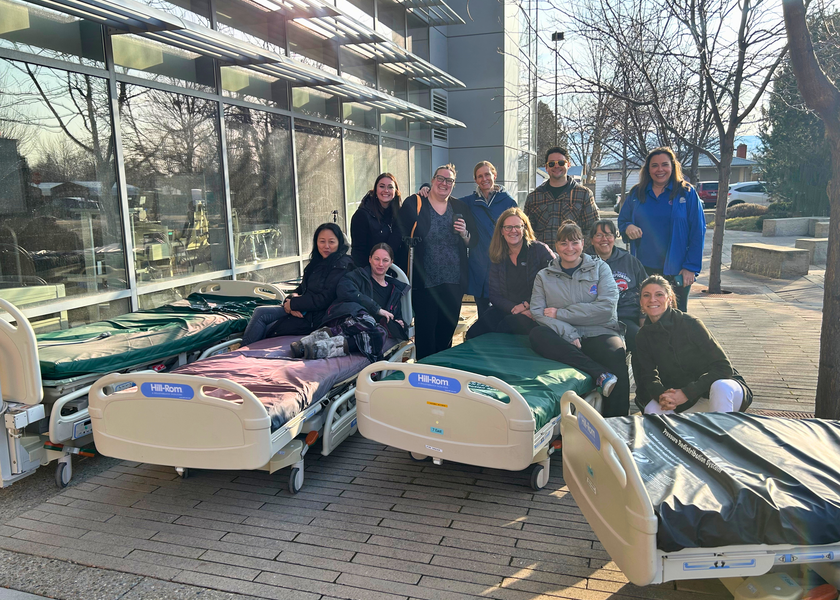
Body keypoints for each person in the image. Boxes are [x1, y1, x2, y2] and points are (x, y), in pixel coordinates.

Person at [528, 220, 629, 418]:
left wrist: (560, 313)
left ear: (583, 243)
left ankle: (617, 422)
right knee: (537, 334)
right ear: (556, 246)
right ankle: (600, 374)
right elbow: (538, 312)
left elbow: (606, 310)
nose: (569, 248)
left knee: (616, 352)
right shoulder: (544, 276)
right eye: (564, 243)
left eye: (574, 242)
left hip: (600, 331)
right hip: (565, 338)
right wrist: (568, 331)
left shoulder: (600, 269)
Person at [634, 275, 752, 414]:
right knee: (652, 410)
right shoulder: (642, 336)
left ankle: (719, 435)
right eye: (646, 295)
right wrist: (662, 396)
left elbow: (724, 367)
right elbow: (648, 377)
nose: (652, 299)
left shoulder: (690, 323)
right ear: (641, 302)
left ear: (669, 298)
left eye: (659, 294)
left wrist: (686, 393)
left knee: (720, 387)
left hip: (723, 392)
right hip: (687, 401)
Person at [399, 164, 477, 359]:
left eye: (449, 180)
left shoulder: (460, 207)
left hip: (453, 283)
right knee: (426, 334)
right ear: (433, 180)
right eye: (440, 179)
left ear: (453, 185)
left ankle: (442, 375)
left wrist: (464, 233)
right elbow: (401, 235)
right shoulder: (416, 203)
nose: (444, 183)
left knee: (446, 333)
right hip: (425, 284)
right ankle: (424, 377)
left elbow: (473, 241)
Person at [617, 147, 706, 312]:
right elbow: (622, 220)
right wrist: (628, 226)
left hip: (677, 269)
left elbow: (698, 232)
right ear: (648, 169)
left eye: (664, 164)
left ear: (672, 167)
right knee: (646, 313)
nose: (660, 169)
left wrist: (691, 267)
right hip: (643, 268)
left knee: (676, 316)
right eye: (654, 165)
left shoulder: (686, 193)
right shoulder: (637, 193)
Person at [241, 223, 353, 346]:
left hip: (316, 318)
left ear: (339, 243)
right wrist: (290, 301)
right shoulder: (317, 262)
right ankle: (240, 354)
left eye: (331, 242)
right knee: (259, 313)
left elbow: (325, 299)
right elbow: (301, 289)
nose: (326, 246)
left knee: (266, 328)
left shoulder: (342, 265)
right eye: (322, 241)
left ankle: (241, 354)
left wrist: (294, 304)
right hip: (304, 310)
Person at [297, 243, 410, 360]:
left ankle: (321, 347)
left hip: (366, 330)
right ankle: (327, 335)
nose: (380, 264)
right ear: (370, 259)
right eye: (377, 259)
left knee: (380, 333)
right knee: (369, 320)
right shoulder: (357, 275)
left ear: (391, 262)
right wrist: (376, 309)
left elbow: (396, 318)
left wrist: (399, 323)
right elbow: (344, 290)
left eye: (385, 260)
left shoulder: (394, 291)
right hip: (344, 317)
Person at [466, 207, 554, 340]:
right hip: (509, 309)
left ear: (524, 228)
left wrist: (527, 306)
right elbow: (494, 295)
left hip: (536, 309)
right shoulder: (498, 254)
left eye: (517, 226)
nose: (513, 231)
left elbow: (554, 284)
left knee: (506, 328)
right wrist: (514, 308)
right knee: (474, 332)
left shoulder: (539, 250)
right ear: (501, 231)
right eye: (508, 227)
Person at [458, 161, 517, 317]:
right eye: (479, 176)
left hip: (502, 263)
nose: (484, 179)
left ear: (494, 175)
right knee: (482, 313)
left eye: (487, 174)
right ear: (476, 180)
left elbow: (518, 229)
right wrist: (426, 188)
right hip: (479, 265)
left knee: (503, 310)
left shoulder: (508, 201)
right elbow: (446, 200)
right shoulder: (469, 202)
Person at [586, 219, 648, 353]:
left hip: (626, 317)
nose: (605, 239)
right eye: (599, 235)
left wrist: (643, 318)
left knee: (642, 341)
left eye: (609, 235)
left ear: (614, 237)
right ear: (591, 240)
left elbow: (646, 290)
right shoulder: (583, 262)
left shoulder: (629, 260)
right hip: (595, 320)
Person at [524, 146, 599, 246]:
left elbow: (593, 229)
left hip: (573, 257)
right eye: (551, 164)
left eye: (561, 163)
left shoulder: (584, 194)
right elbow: (527, 231)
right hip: (542, 258)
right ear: (546, 168)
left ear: (568, 165)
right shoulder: (534, 197)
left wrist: (577, 250)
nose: (556, 166)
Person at [350, 173, 403, 269]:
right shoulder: (362, 215)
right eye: (382, 186)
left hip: (394, 272)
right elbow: (358, 252)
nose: (386, 190)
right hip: (371, 273)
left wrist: (425, 189)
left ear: (396, 191)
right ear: (375, 190)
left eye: (390, 187)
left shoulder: (399, 215)